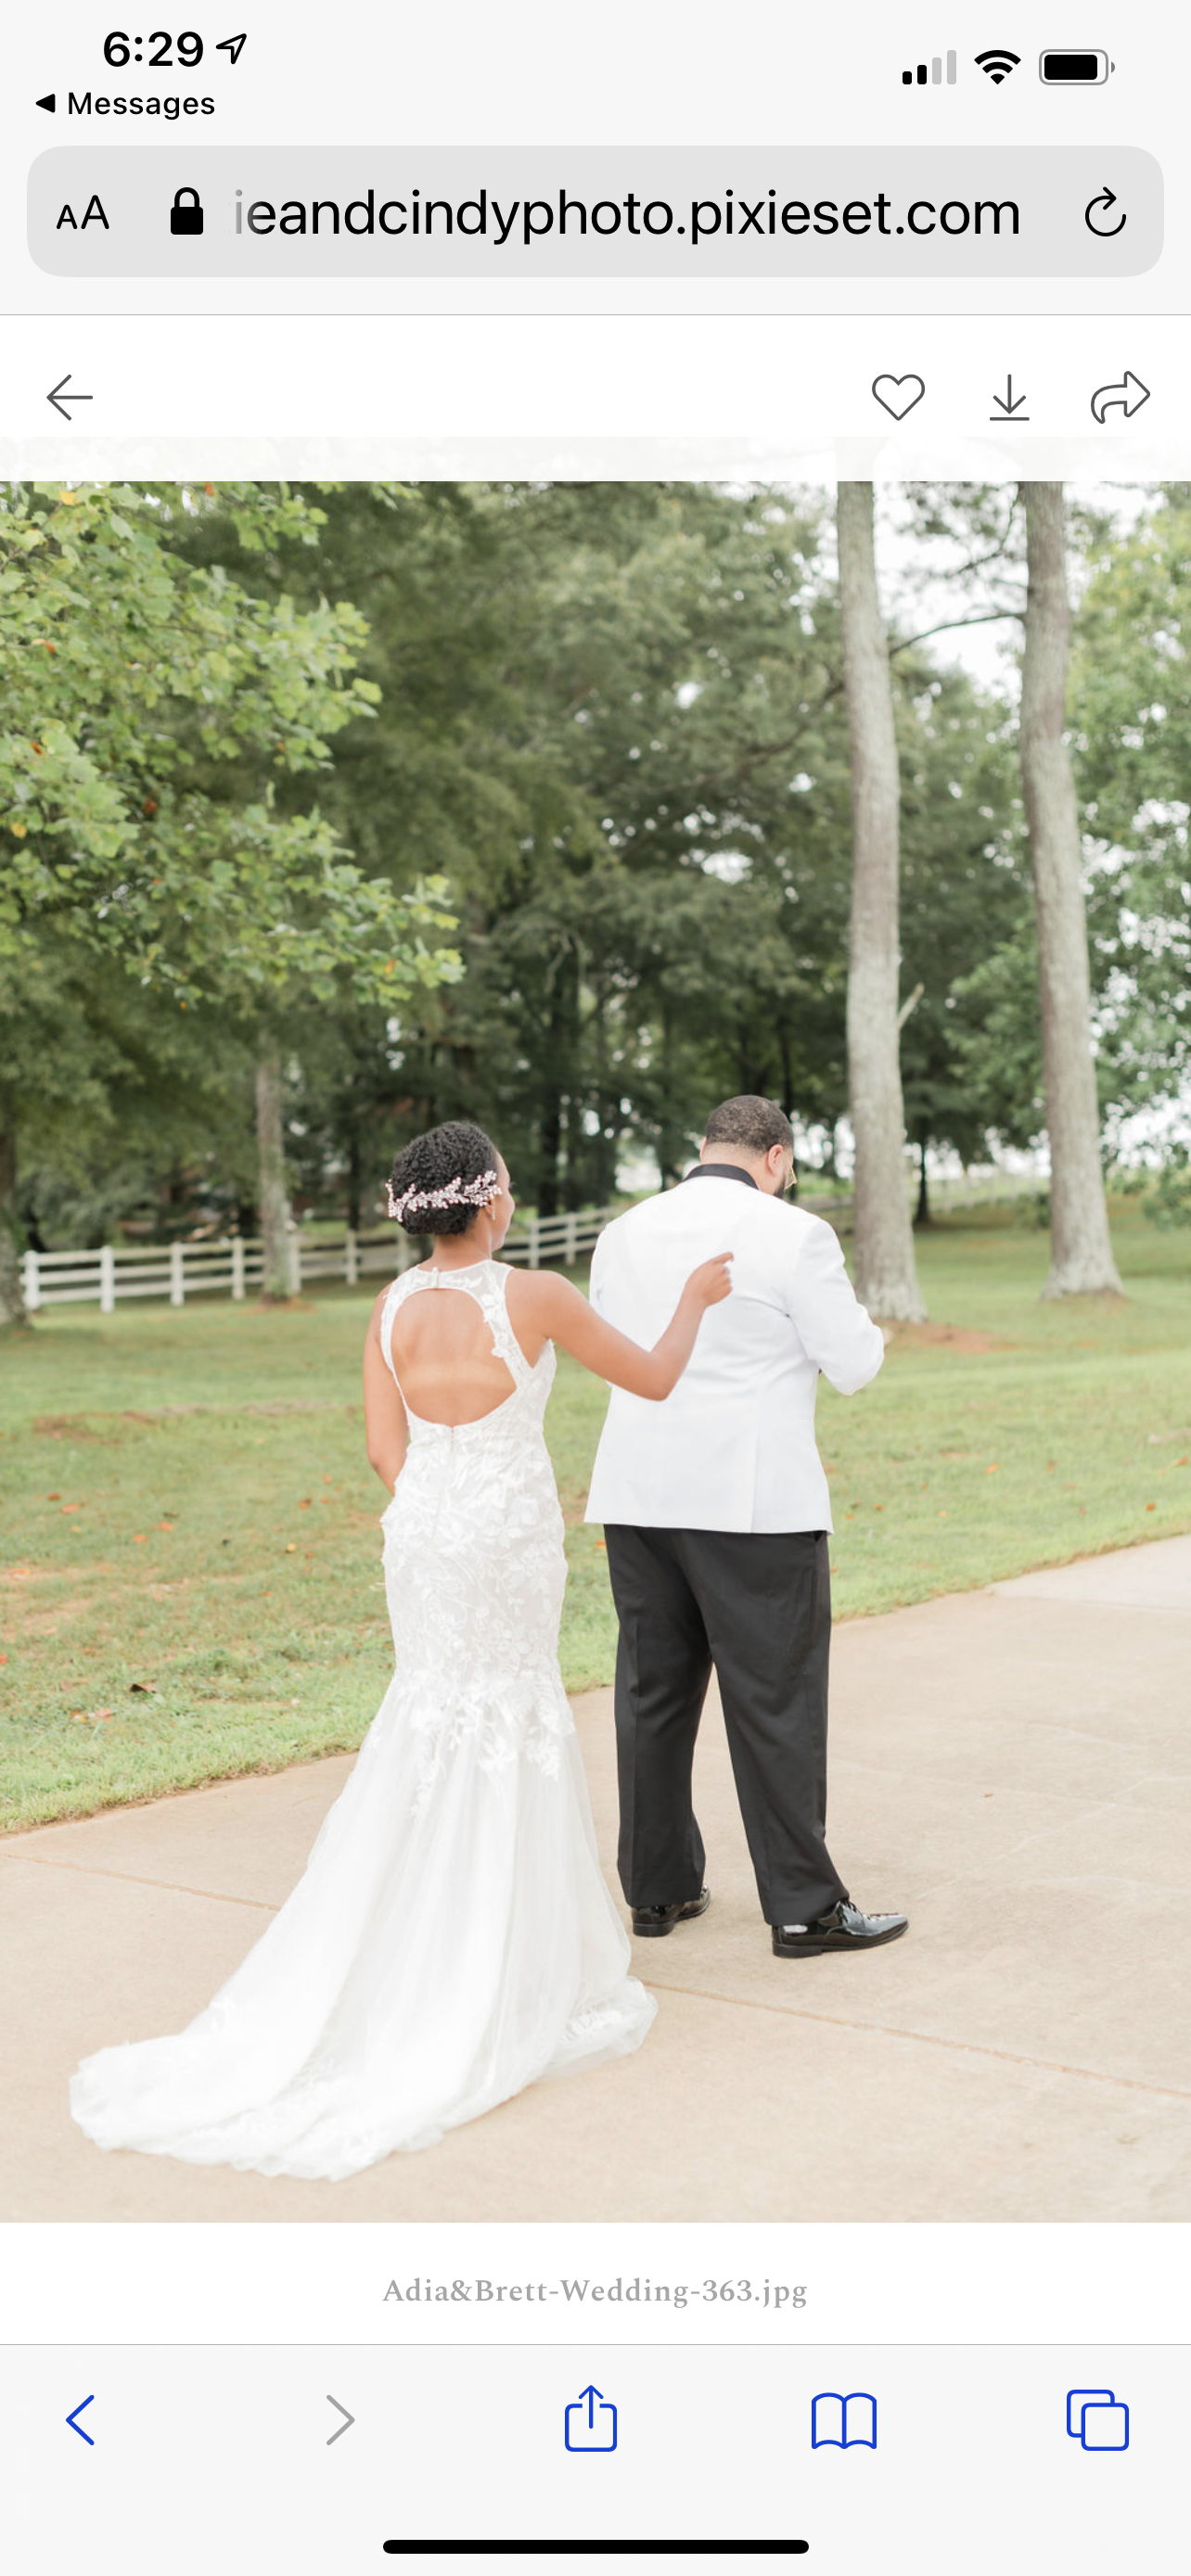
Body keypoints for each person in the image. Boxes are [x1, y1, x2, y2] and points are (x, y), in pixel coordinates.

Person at [70, 1121, 732, 2179]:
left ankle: (407, 1948)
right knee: (511, 1716)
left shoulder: (388, 1310)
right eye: (507, 1184)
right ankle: (501, 1966)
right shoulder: (538, 1297)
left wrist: (443, 1508)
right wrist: (695, 1301)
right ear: (491, 1203)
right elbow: (651, 1379)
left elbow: (387, 1449)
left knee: (432, 1714)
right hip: (507, 1537)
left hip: (425, 1534)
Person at [586, 1093, 909, 1959]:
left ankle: (657, 1892)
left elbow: (620, 1343)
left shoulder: (623, 1232)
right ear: (774, 1156)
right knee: (775, 1701)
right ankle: (804, 1909)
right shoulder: (792, 1233)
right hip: (751, 1503)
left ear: (705, 1148)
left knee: (652, 1696)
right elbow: (854, 1363)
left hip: (638, 1494)